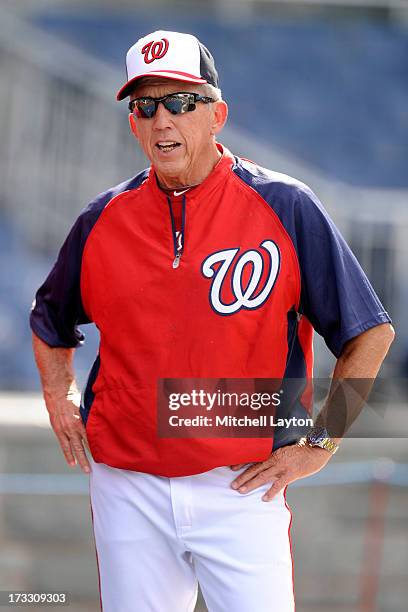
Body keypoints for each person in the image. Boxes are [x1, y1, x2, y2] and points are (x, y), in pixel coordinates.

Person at [30, 30, 395, 612]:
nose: (161, 121)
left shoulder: (285, 206)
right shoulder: (101, 219)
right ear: (132, 124)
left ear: (216, 115)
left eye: (179, 102)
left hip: (242, 484)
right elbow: (49, 319)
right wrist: (59, 395)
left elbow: (369, 332)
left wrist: (322, 441)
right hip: (128, 485)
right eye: (145, 106)